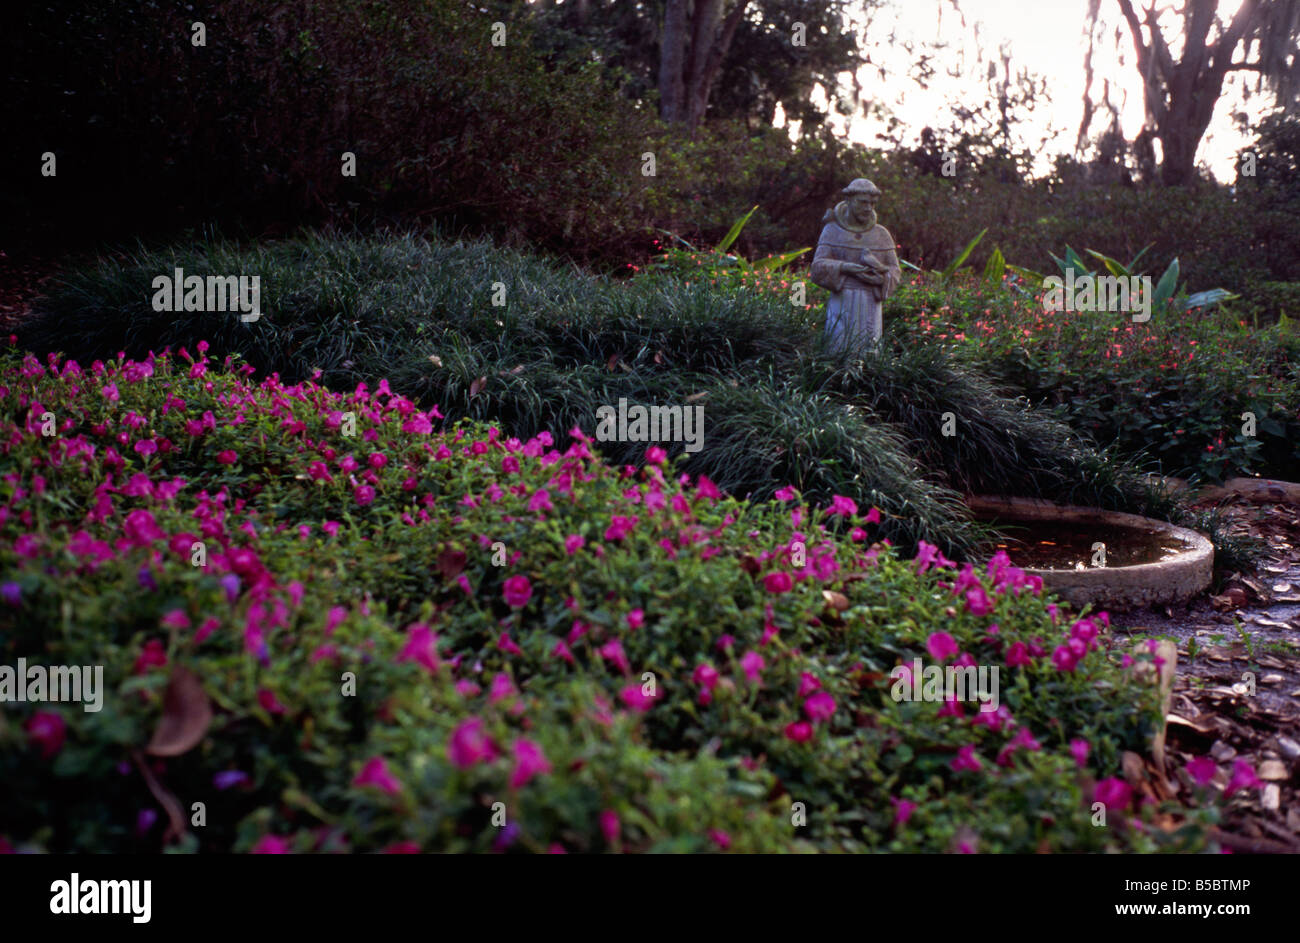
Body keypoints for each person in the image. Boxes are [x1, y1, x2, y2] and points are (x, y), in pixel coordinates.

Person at [809, 178, 902, 353]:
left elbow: (894, 271)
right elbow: (817, 267)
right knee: (837, 352)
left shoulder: (881, 235)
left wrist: (880, 277)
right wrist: (845, 267)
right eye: (863, 202)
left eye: (873, 204)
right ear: (849, 200)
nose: (868, 208)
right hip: (841, 301)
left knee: (868, 355)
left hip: (871, 304)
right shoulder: (832, 230)